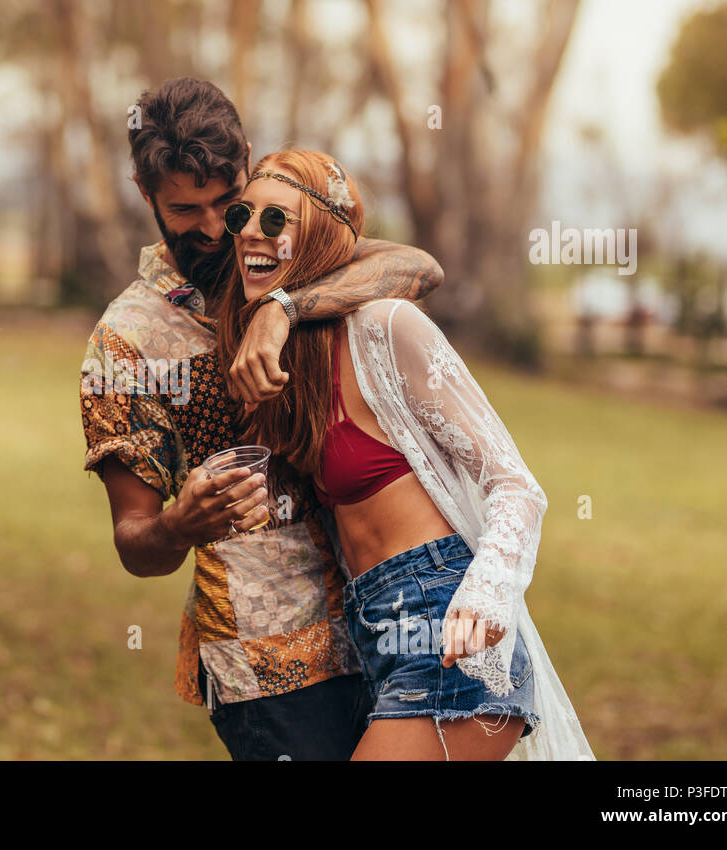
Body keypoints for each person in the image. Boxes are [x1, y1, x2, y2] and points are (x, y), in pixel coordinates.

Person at [80, 77, 443, 760]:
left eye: (228, 201)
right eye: (185, 209)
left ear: (247, 165)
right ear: (143, 191)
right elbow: (133, 541)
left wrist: (283, 309)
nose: (214, 228)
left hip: (388, 622)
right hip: (270, 667)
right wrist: (178, 525)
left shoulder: (283, 258)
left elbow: (416, 267)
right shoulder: (124, 342)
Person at [216, 149, 594, 760]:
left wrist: (488, 595)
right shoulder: (294, 364)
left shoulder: (385, 327)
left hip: (449, 637)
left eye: (277, 218)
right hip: (376, 639)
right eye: (242, 215)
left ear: (318, 235)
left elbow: (515, 484)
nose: (251, 232)